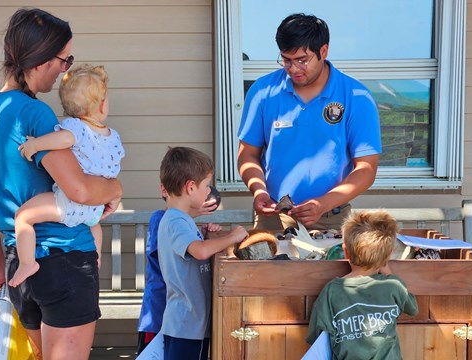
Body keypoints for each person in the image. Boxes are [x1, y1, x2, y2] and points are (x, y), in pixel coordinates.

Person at [0, 8, 122, 360]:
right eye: (63, 60)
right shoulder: (35, 114)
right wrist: (115, 190)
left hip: (18, 265)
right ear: (40, 60)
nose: (64, 70)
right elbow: (80, 189)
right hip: (63, 260)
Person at [237, 13, 381, 231]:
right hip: (274, 216)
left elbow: (367, 168)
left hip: (331, 216)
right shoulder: (262, 91)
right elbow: (247, 155)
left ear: (323, 51)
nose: (293, 68)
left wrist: (323, 203)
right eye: (286, 60)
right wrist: (258, 190)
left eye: (302, 60)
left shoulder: (356, 96)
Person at [8, 63, 124, 287]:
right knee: (94, 226)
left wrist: (35, 144)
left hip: (68, 203)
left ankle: (26, 263)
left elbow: (63, 140)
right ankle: (96, 257)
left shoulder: (75, 127)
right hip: (95, 207)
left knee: (23, 216)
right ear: (101, 106)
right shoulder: (113, 137)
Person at [158, 147, 248, 360]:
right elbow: (200, 252)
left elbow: (194, 249)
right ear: (190, 187)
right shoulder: (176, 221)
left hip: (187, 324)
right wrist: (232, 237)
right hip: (189, 324)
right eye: (206, 186)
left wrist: (205, 234)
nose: (209, 191)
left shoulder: (181, 220)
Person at [306, 210, 418, 359]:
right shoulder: (394, 285)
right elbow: (413, 309)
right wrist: (388, 271)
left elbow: (316, 333)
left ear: (345, 252)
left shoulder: (332, 290)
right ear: (389, 254)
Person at [136, 185, 221, 354]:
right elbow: (174, 257)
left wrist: (205, 237)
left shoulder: (186, 227)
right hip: (159, 308)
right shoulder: (163, 219)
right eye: (203, 205)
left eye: (209, 208)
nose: (202, 210)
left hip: (180, 311)